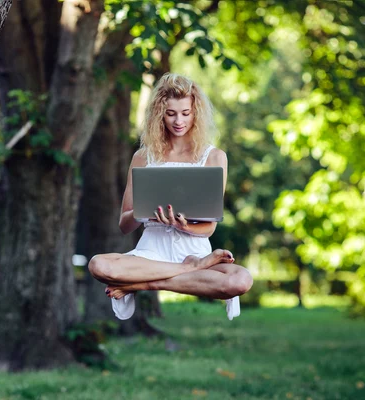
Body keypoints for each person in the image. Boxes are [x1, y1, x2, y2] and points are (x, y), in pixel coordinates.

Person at [88, 73, 253, 320]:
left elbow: (209, 228)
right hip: (150, 254)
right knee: (98, 265)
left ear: (196, 112)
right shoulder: (143, 157)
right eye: (171, 113)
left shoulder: (214, 157)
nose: (178, 121)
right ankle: (186, 269)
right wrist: (144, 210)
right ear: (159, 114)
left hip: (195, 252)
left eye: (186, 113)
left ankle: (143, 284)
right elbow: (125, 225)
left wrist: (183, 225)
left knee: (241, 280)